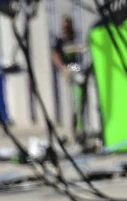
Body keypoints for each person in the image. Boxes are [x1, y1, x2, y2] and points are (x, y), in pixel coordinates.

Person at [52, 16, 90, 145]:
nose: (65, 30)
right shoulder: (60, 42)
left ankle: (83, 130)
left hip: (79, 72)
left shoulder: (77, 38)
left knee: (81, 103)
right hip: (69, 74)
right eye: (64, 27)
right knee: (73, 105)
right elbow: (55, 55)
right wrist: (63, 68)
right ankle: (74, 132)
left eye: (67, 26)